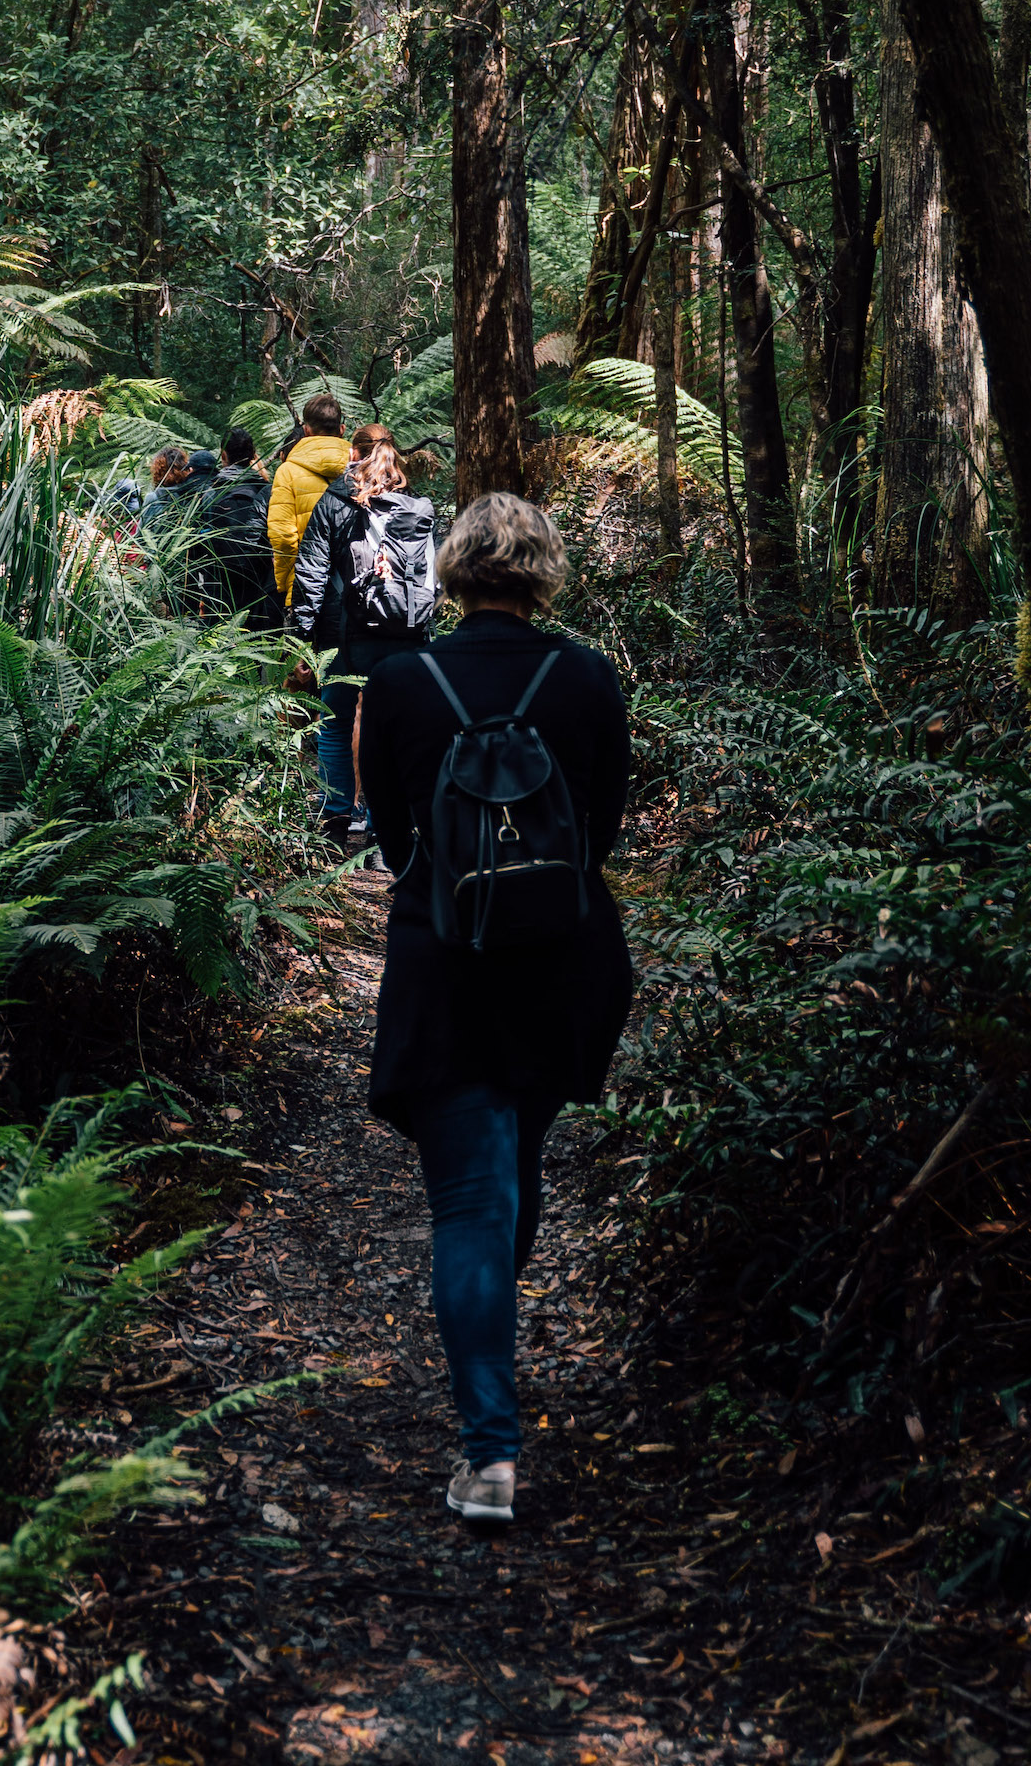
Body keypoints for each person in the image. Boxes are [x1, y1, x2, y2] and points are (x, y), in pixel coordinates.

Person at [354, 493, 634, 1527]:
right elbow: (600, 828)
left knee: (477, 1200)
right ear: (545, 571)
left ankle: (490, 1453)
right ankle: (491, 1389)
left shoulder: (400, 681)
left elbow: (391, 831)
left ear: (458, 570)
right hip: (565, 964)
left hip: (448, 960)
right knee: (509, 1176)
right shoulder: (589, 676)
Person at [292, 427, 441, 843]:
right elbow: (435, 577)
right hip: (406, 636)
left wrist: (303, 641)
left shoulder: (336, 503)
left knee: (336, 725)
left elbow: (311, 575)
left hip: (345, 637)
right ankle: (386, 830)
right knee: (391, 732)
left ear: (353, 454)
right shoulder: (417, 508)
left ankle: (335, 823)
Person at [265, 393, 352, 616]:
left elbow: (283, 536)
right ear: (341, 429)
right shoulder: (362, 468)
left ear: (305, 430)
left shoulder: (288, 471)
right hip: (356, 584)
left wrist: (285, 584)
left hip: (306, 587)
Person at [191, 428, 277, 623]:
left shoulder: (211, 493)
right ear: (253, 456)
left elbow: (199, 547)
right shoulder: (267, 490)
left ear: (223, 455)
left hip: (220, 586)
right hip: (260, 584)